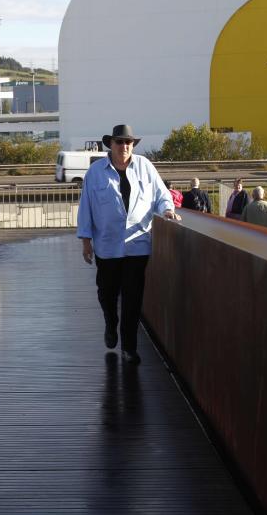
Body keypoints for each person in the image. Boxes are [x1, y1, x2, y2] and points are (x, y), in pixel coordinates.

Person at [77, 124, 178, 365]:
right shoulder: (96, 172)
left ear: (133, 145)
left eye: (128, 143)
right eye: (119, 142)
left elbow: (162, 195)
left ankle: (129, 348)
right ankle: (111, 323)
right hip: (107, 246)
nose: (124, 147)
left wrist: (168, 210)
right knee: (107, 294)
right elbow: (86, 208)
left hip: (137, 246)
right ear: (110, 145)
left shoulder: (145, 167)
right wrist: (86, 241)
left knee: (133, 299)